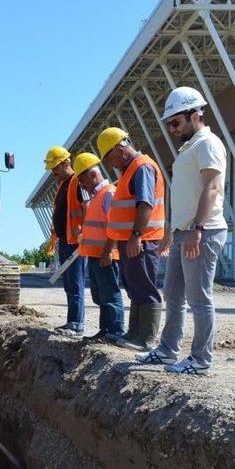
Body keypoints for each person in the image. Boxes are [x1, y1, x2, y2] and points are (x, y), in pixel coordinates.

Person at [136, 86, 228, 375]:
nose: (173, 129)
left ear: (194, 114)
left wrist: (197, 229)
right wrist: (173, 230)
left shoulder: (207, 144)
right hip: (184, 232)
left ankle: (200, 360)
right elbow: (186, 194)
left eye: (176, 122)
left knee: (199, 298)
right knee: (173, 294)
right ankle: (167, 351)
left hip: (203, 231)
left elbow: (211, 188)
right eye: (170, 124)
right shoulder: (190, 147)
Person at [96, 127, 165, 352]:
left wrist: (136, 236)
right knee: (135, 288)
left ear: (120, 148)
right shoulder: (129, 171)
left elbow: (146, 204)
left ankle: (146, 339)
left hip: (141, 240)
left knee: (145, 288)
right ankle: (134, 333)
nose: (110, 163)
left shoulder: (142, 167)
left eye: (109, 157)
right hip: (131, 241)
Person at [74, 152, 125, 343]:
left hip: (106, 255)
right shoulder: (97, 196)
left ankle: (115, 331)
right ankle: (105, 330)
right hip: (95, 255)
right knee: (100, 295)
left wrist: (107, 251)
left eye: (82, 180)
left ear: (93, 174)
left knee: (110, 294)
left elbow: (114, 225)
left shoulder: (108, 194)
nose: (82, 186)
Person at [44, 145, 89, 336]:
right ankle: (72, 321)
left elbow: (87, 206)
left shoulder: (77, 181)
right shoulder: (63, 185)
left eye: (55, 168)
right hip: (66, 240)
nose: (53, 172)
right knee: (69, 284)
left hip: (76, 242)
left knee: (76, 283)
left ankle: (76, 324)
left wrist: (86, 233)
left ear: (66, 163)